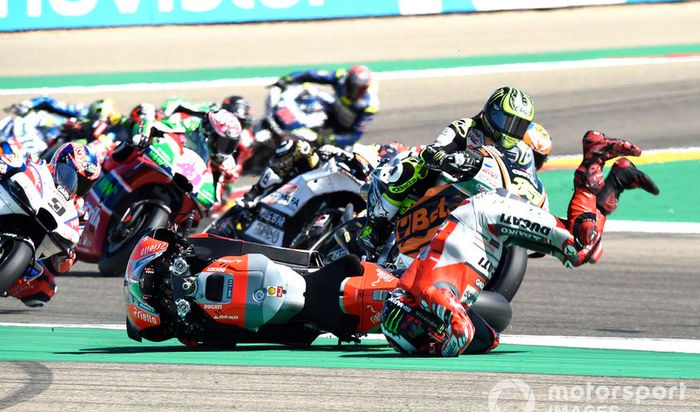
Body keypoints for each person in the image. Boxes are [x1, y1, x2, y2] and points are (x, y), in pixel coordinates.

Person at [381, 130, 659, 356]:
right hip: (492, 231)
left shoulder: (428, 291)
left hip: (489, 218)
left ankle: (594, 156)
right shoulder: (424, 292)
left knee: (578, 244)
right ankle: (617, 181)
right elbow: (489, 339)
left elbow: (462, 332)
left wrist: (434, 350)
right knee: (586, 251)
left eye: (410, 328)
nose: (418, 334)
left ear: (409, 307)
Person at [357, 86, 539, 258]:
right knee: (414, 167)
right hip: (444, 184)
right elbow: (432, 150)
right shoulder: (465, 127)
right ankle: (373, 229)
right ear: (492, 113)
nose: (511, 131)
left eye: (519, 126)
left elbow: (527, 179)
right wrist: (445, 159)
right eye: (508, 122)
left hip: (483, 196)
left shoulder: (521, 151)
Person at [2, 142, 101, 307]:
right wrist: (4, 166)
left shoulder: (80, 210)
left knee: (45, 287)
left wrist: (68, 255)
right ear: (61, 163)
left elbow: (64, 263)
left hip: (37, 240)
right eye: (74, 176)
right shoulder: (37, 165)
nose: (78, 185)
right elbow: (9, 160)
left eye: (85, 183)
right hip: (13, 203)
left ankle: (6, 277)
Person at [122, 106, 242, 200]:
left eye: (230, 145)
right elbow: (155, 125)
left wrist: (224, 180)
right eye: (223, 143)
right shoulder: (191, 123)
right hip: (164, 160)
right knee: (130, 147)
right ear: (210, 133)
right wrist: (143, 134)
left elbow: (216, 199)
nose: (225, 149)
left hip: (187, 186)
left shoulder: (228, 165)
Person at [273, 64, 379, 148]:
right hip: (333, 110)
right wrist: (289, 78)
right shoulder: (340, 77)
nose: (356, 91)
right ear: (348, 80)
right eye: (354, 86)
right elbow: (312, 74)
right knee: (308, 91)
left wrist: (332, 139)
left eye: (361, 88)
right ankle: (288, 121)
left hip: (343, 131)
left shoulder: (369, 105)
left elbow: (355, 135)